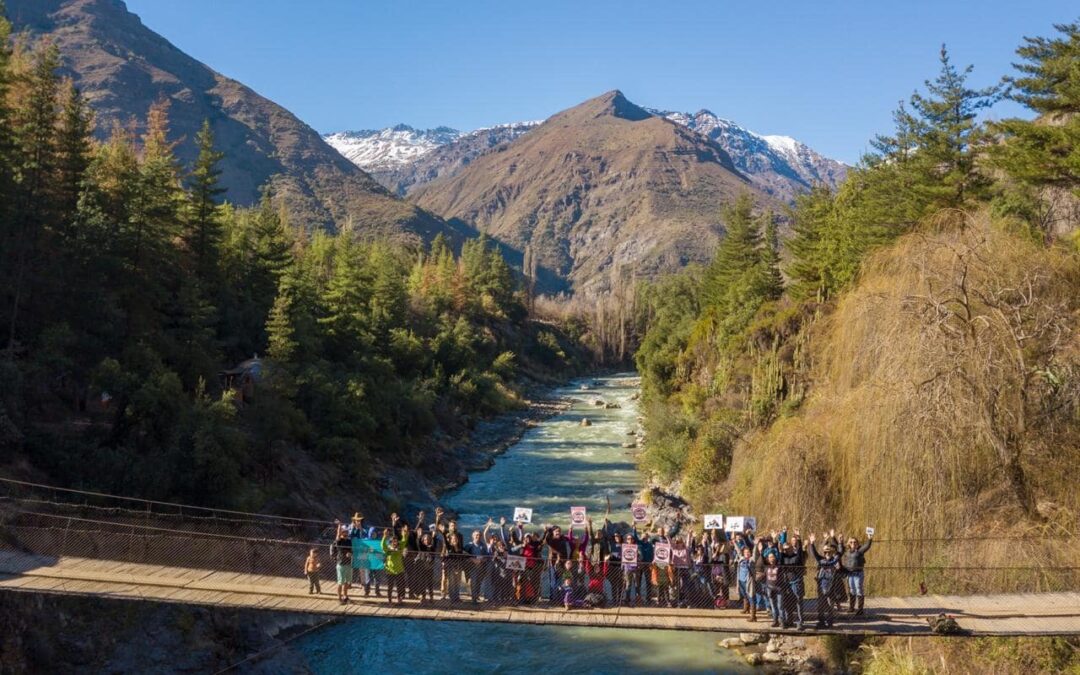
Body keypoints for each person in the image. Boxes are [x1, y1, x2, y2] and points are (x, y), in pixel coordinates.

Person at [809, 533, 842, 628]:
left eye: (829, 552)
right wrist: (812, 543)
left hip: (831, 586)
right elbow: (815, 554)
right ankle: (821, 622)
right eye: (825, 552)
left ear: (831, 553)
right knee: (821, 605)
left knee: (830, 605)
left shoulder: (834, 560)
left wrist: (839, 543)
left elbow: (840, 553)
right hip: (821, 586)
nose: (827, 554)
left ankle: (830, 622)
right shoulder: (821, 560)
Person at [779, 531, 807, 630]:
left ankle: (800, 622)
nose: (787, 551)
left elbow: (800, 551)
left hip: (796, 581)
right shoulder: (784, 557)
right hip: (787, 583)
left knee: (799, 601)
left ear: (792, 548)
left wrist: (799, 539)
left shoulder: (797, 557)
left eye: (788, 549)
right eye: (785, 550)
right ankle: (788, 620)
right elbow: (780, 558)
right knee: (787, 602)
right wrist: (781, 548)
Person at [842, 532, 873, 616]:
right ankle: (851, 607)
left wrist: (870, 539)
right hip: (850, 574)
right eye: (851, 542)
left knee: (859, 589)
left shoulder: (859, 551)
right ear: (849, 543)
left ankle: (860, 609)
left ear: (857, 543)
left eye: (855, 542)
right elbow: (839, 548)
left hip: (858, 573)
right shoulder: (847, 552)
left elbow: (867, 546)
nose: (853, 543)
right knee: (851, 590)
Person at [381, 526, 408, 605]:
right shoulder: (388, 549)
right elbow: (383, 545)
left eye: (396, 541)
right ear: (391, 542)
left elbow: (404, 540)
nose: (395, 543)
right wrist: (385, 536)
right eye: (393, 541)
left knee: (400, 586)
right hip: (390, 571)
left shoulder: (400, 548)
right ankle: (389, 600)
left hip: (399, 570)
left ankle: (399, 599)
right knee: (390, 587)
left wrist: (404, 534)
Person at [464, 529, 490, 604]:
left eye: (479, 535)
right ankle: (473, 598)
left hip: (481, 567)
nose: (478, 536)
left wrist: (482, 560)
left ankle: (477, 595)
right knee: (474, 582)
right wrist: (472, 559)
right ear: (473, 536)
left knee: (479, 582)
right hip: (472, 567)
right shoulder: (469, 545)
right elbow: (464, 554)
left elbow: (487, 556)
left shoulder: (483, 545)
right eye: (476, 535)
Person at [332, 524, 352, 605]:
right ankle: (339, 598)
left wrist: (350, 554)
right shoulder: (339, 541)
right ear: (341, 533)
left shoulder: (349, 541)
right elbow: (337, 536)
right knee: (340, 582)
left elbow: (351, 551)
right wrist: (339, 526)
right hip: (341, 564)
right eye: (344, 532)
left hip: (348, 564)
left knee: (347, 582)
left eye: (346, 532)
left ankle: (345, 596)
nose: (345, 534)